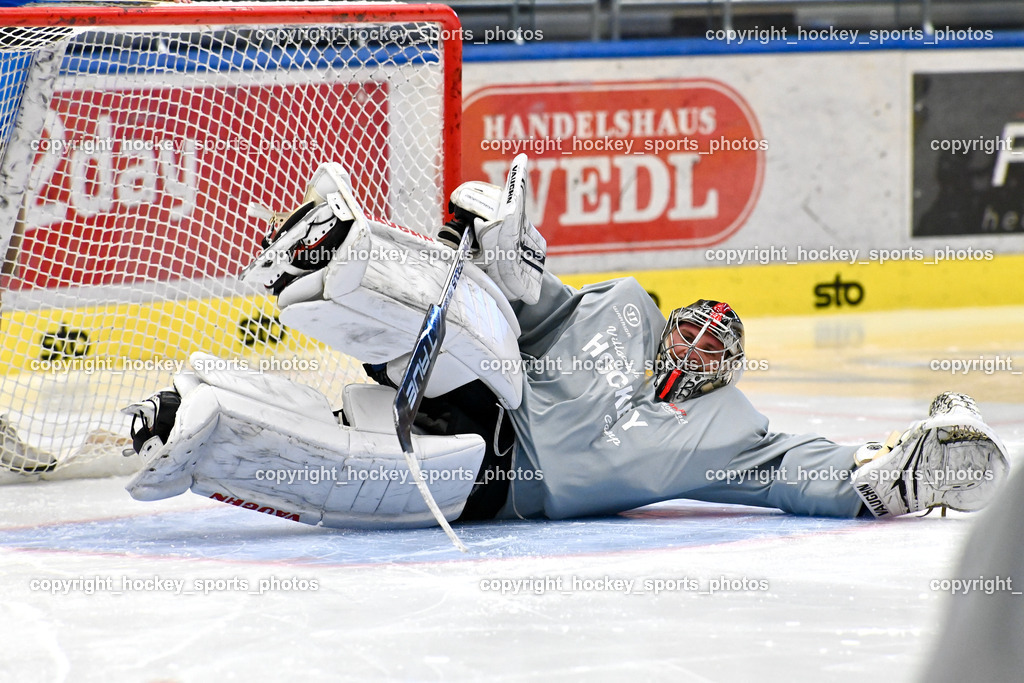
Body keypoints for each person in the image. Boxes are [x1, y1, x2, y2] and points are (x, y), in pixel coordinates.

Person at [121, 155, 1010, 530]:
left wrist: (896, 472)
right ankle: (334, 254)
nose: (694, 350)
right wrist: (505, 252)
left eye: (712, 349)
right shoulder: (622, 309)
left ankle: (199, 422)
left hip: (501, 484)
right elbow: (535, 306)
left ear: (727, 371)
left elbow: (806, 471)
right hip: (498, 393)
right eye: (691, 330)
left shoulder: (731, 432)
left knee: (373, 459)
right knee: (474, 309)